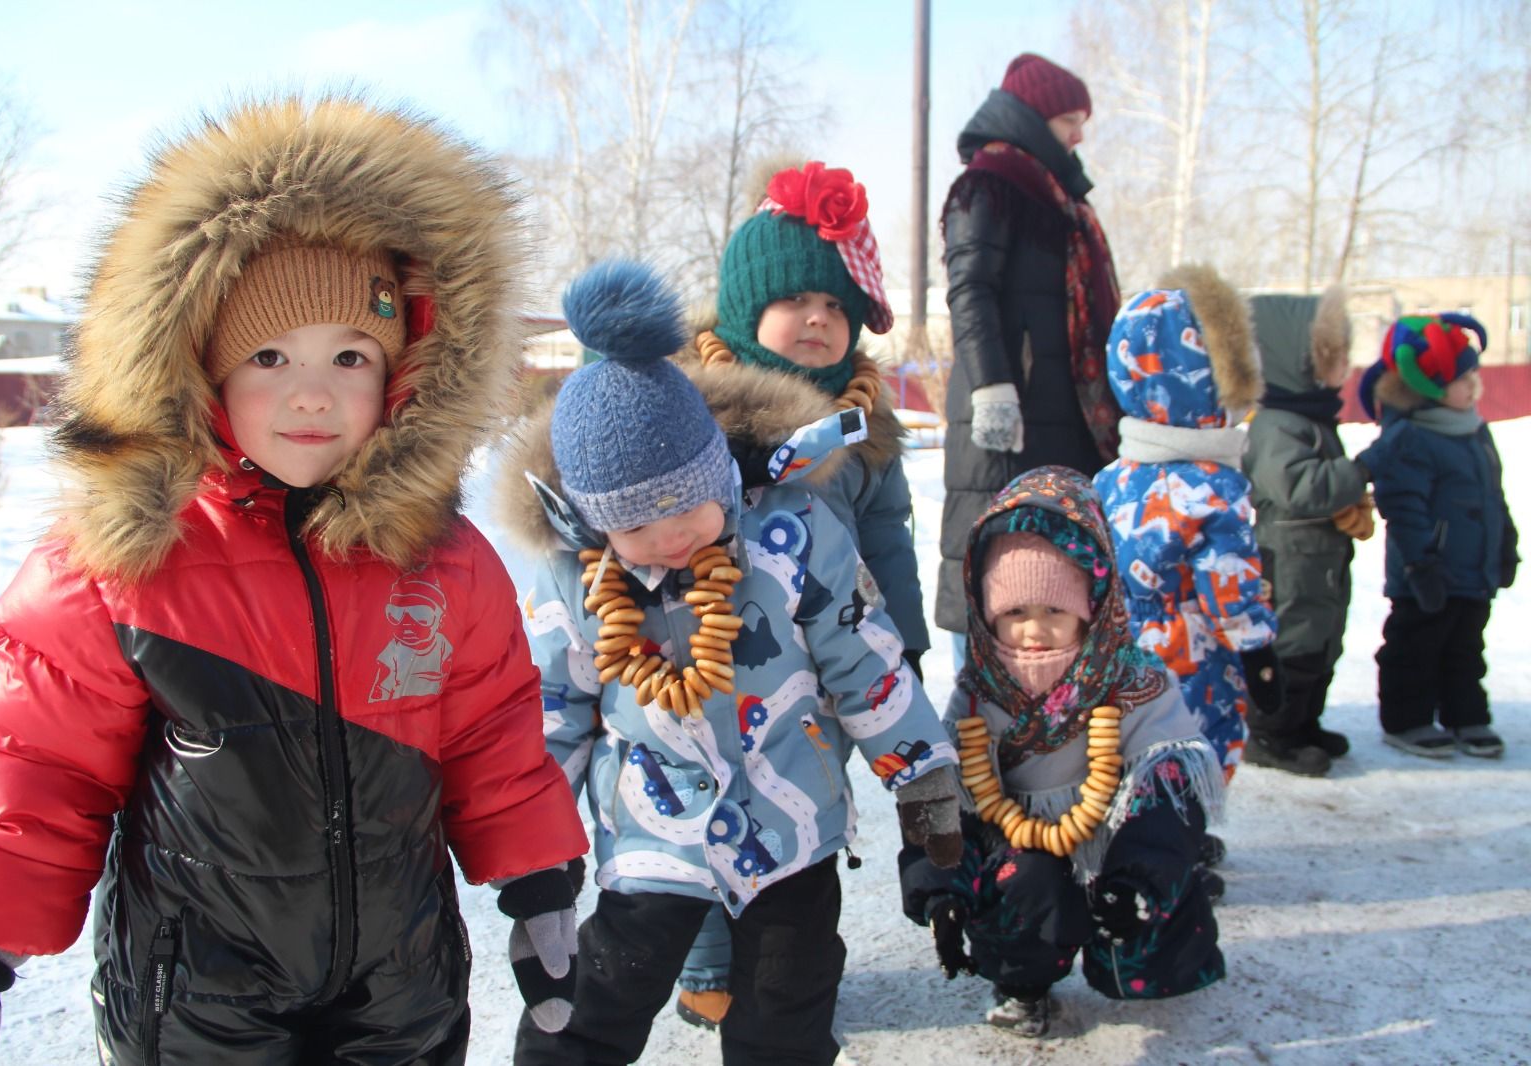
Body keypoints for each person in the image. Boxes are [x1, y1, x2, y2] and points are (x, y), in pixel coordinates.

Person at [0, 96, 590, 1065]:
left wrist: (539, 887)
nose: (312, 391)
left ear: (406, 374)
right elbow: (41, 768)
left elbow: (492, 735)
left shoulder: (445, 565)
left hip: (400, 989)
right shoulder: (130, 566)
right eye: (269, 355)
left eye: (350, 356)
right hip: (197, 994)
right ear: (201, 368)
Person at [498, 260, 962, 1066]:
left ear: (717, 470)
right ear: (594, 522)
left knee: (791, 1004)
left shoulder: (792, 538)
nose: (671, 536)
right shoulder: (575, 580)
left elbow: (865, 661)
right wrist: (536, 848)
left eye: (686, 505)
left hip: (794, 828)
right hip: (652, 834)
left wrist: (922, 778)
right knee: (602, 995)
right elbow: (553, 710)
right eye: (637, 526)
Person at [672, 159, 928, 1029]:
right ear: (748, 312)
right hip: (707, 656)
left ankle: (789, 957)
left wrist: (909, 638)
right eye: (795, 304)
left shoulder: (864, 425)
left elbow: (889, 539)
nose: (818, 320)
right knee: (706, 808)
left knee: (801, 807)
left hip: (827, 667)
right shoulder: (695, 405)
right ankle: (708, 949)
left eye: (836, 307)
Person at [899, 466, 1225, 1039]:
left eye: (1054, 611)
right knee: (1021, 882)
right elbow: (940, 788)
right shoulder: (980, 691)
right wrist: (937, 890)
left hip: (1113, 844)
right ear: (987, 609)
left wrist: (1141, 874)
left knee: (1154, 874)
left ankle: (1137, 928)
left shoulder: (1132, 683)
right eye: (1016, 613)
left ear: (1091, 607)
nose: (1033, 631)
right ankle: (1022, 981)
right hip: (1024, 850)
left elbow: (1170, 786)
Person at [1092, 264, 1280, 891]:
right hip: (1192, 665)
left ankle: (1132, 842)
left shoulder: (1111, 477)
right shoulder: (1213, 488)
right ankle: (1169, 864)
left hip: (1118, 662)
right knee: (1193, 755)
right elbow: (1231, 586)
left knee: (1131, 758)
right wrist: (1260, 651)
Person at [937, 52, 1122, 654]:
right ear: (1035, 117)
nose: (1079, 133)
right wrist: (991, 386)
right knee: (1000, 565)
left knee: (1054, 573)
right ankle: (979, 726)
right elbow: (970, 286)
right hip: (1008, 421)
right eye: (1071, 117)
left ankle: (1055, 730)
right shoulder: (990, 185)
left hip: (1058, 415)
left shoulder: (1054, 195)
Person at [1355, 314, 1518, 758]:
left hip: (1473, 568)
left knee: (1466, 647)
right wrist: (1419, 563)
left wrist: (1506, 544)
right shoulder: (1411, 437)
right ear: (1431, 385)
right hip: (1427, 569)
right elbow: (1404, 505)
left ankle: (1466, 716)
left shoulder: (1475, 431)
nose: (1474, 386)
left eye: (1474, 376)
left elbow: (1492, 495)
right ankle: (1407, 720)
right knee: (1416, 646)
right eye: (1463, 378)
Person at [1241, 287, 1372, 775]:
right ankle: (1273, 732)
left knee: (1322, 641)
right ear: (1297, 360)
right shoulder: (1276, 424)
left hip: (1320, 558)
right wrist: (1358, 472)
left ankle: (1305, 724)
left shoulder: (1311, 418)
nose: (1344, 368)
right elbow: (1298, 486)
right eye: (1333, 358)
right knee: (1293, 643)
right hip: (1291, 557)